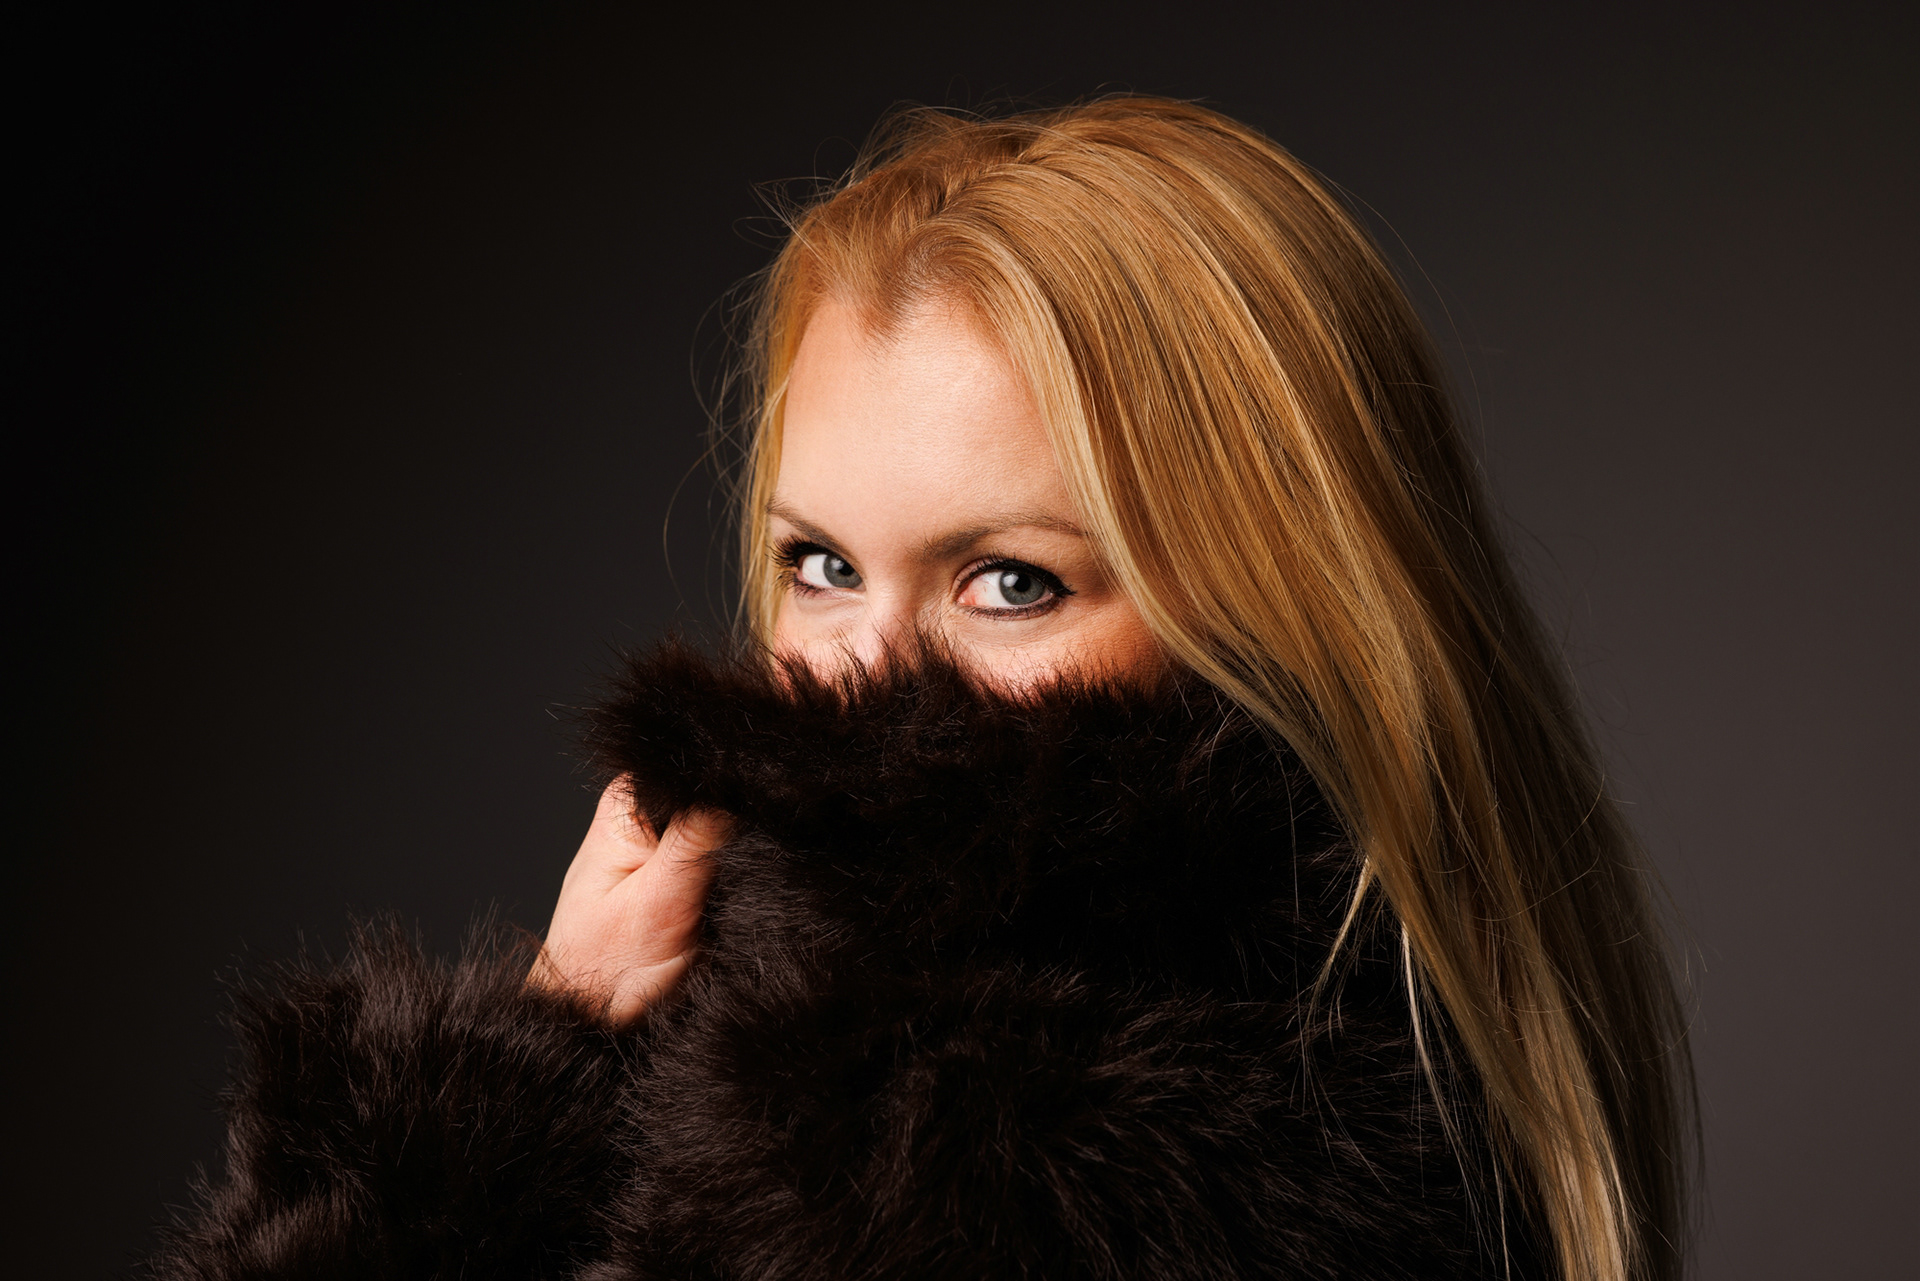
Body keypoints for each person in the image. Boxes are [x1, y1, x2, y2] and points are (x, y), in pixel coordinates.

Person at [153, 97, 1692, 1281]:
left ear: (1279, 615)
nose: (863, 679)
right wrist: (544, 1044)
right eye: (820, 565)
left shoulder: (1071, 1154)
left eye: (1010, 581)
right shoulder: (744, 1026)